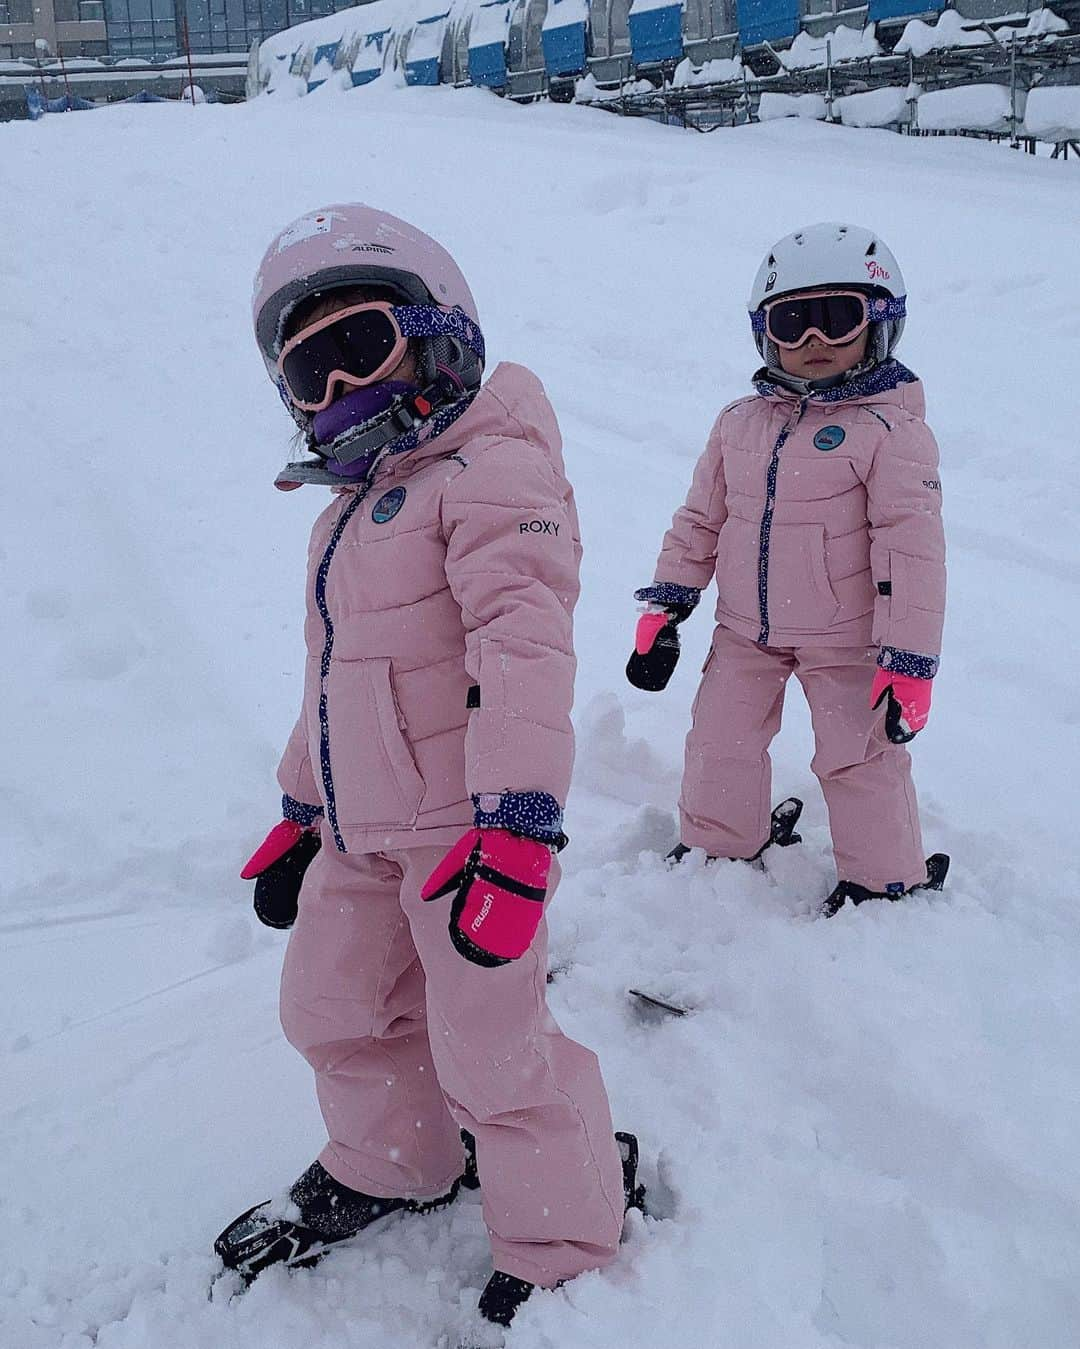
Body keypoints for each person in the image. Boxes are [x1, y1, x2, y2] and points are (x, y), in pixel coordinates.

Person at [215, 204, 634, 1332]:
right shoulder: (343, 515)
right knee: (331, 1005)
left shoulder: (491, 472)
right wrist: (303, 806)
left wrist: (517, 824)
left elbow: (525, 649)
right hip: (361, 825)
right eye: (311, 369)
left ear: (439, 331)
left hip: (468, 828)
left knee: (495, 1046)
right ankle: (395, 1156)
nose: (341, 381)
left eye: (366, 341)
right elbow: (331, 676)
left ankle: (563, 1232)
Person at [627, 222, 948, 917]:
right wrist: (667, 603)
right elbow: (700, 520)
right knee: (720, 741)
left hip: (849, 640)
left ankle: (885, 876)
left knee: (858, 758)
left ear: (882, 323)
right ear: (763, 331)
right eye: (792, 322)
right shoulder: (738, 423)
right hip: (745, 631)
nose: (814, 342)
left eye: (838, 319)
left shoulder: (891, 433)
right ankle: (719, 844)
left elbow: (913, 554)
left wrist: (910, 660)